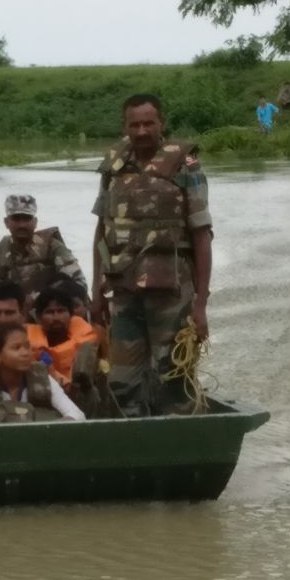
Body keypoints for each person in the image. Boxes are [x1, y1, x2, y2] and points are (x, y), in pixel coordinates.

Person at [92, 93, 213, 417]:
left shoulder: (186, 165)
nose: (142, 131)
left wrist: (200, 305)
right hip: (124, 292)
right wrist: (96, 291)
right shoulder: (114, 166)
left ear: (162, 123)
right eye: (135, 124)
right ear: (125, 126)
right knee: (121, 384)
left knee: (173, 378)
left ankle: (186, 451)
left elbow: (202, 236)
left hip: (173, 293)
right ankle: (136, 449)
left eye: (149, 123)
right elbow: (102, 232)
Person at [0, 323, 85, 425]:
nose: (26, 353)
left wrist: (45, 429)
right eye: (16, 348)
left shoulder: (44, 381)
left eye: (27, 346)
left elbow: (77, 415)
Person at [27, 286, 99, 381]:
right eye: (49, 312)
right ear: (38, 317)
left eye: (61, 311)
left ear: (71, 314)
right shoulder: (25, 345)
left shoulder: (88, 341)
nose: (56, 317)